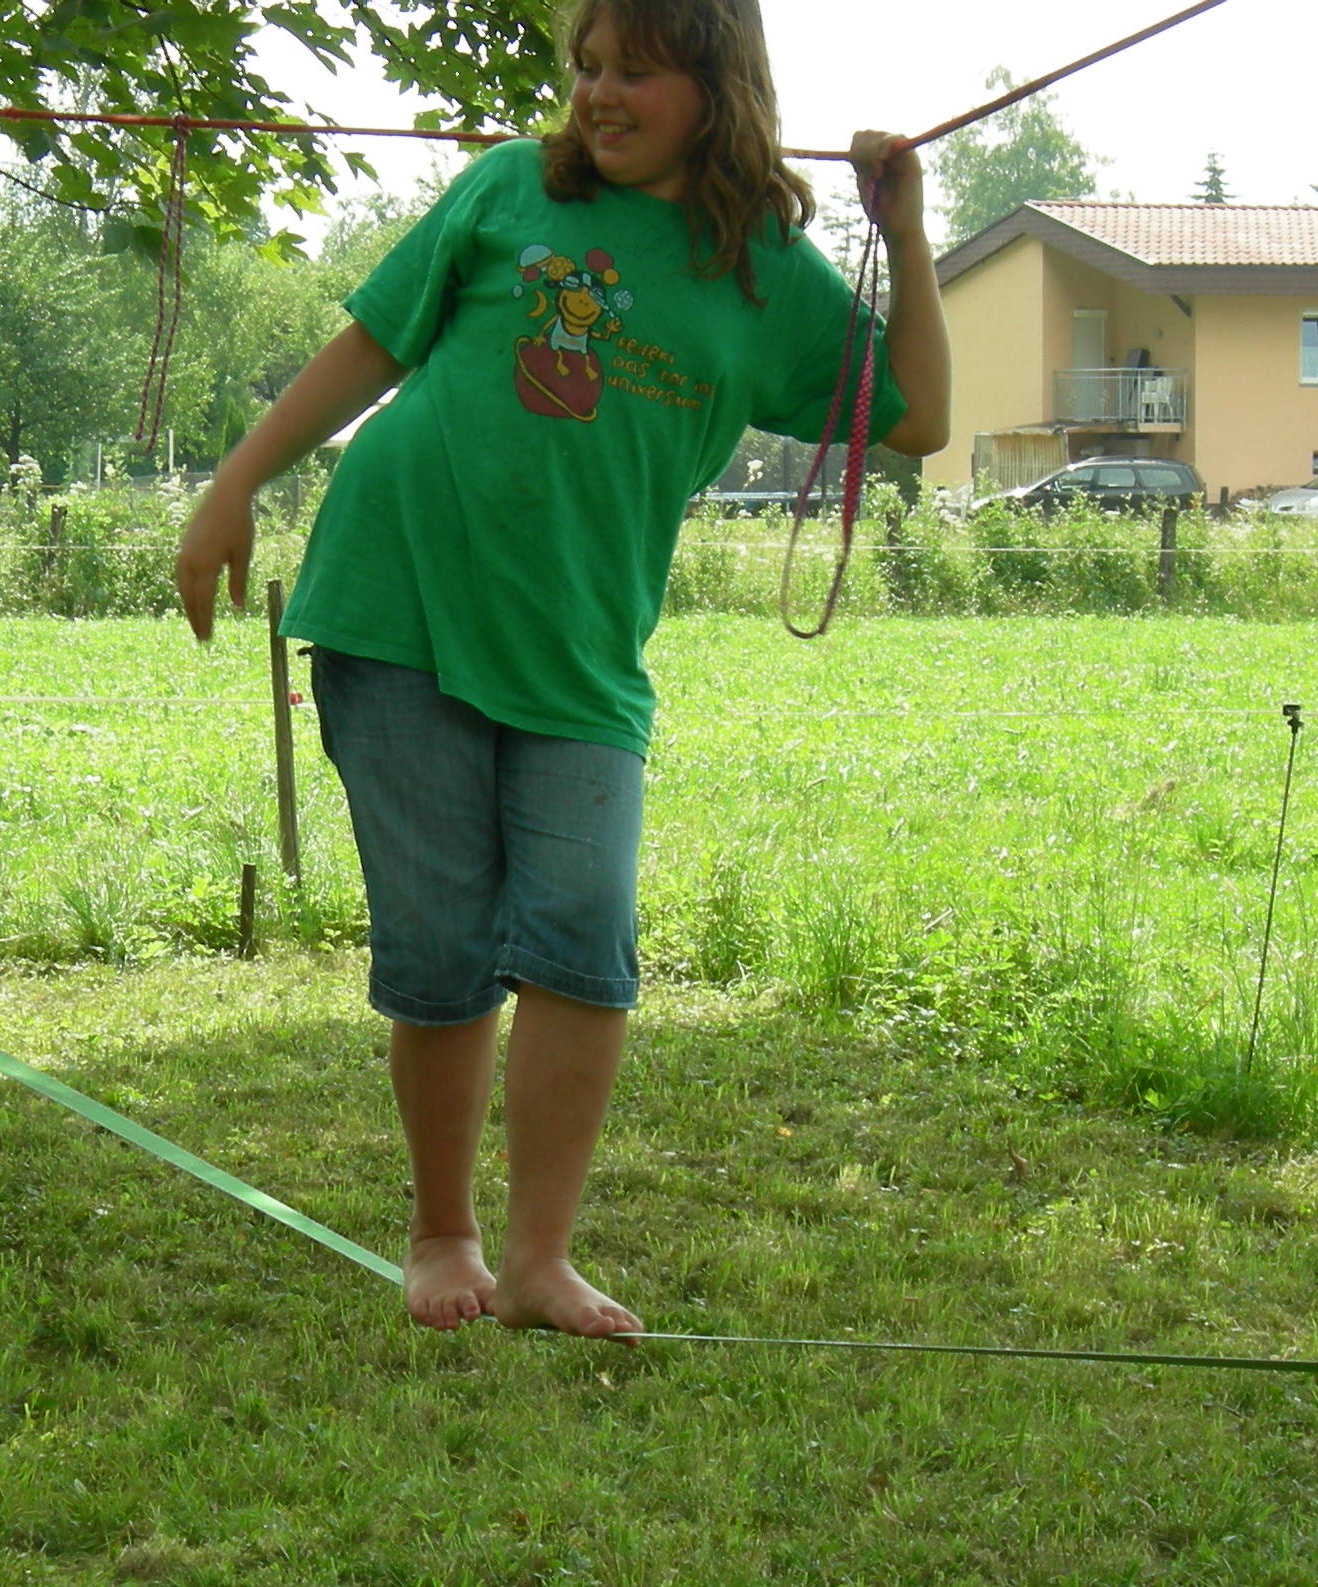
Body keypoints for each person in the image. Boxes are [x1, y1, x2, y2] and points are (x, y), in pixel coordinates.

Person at [177, 0, 948, 1339]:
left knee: (583, 940)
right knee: (440, 948)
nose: (599, 93)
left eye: (635, 71)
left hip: (582, 651)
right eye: (588, 65)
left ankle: (540, 1261)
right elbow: (371, 344)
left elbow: (919, 417)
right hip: (398, 606)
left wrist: (911, 236)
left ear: (716, 87)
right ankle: (443, 1234)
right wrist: (232, 486)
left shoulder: (762, 269)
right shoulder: (505, 190)